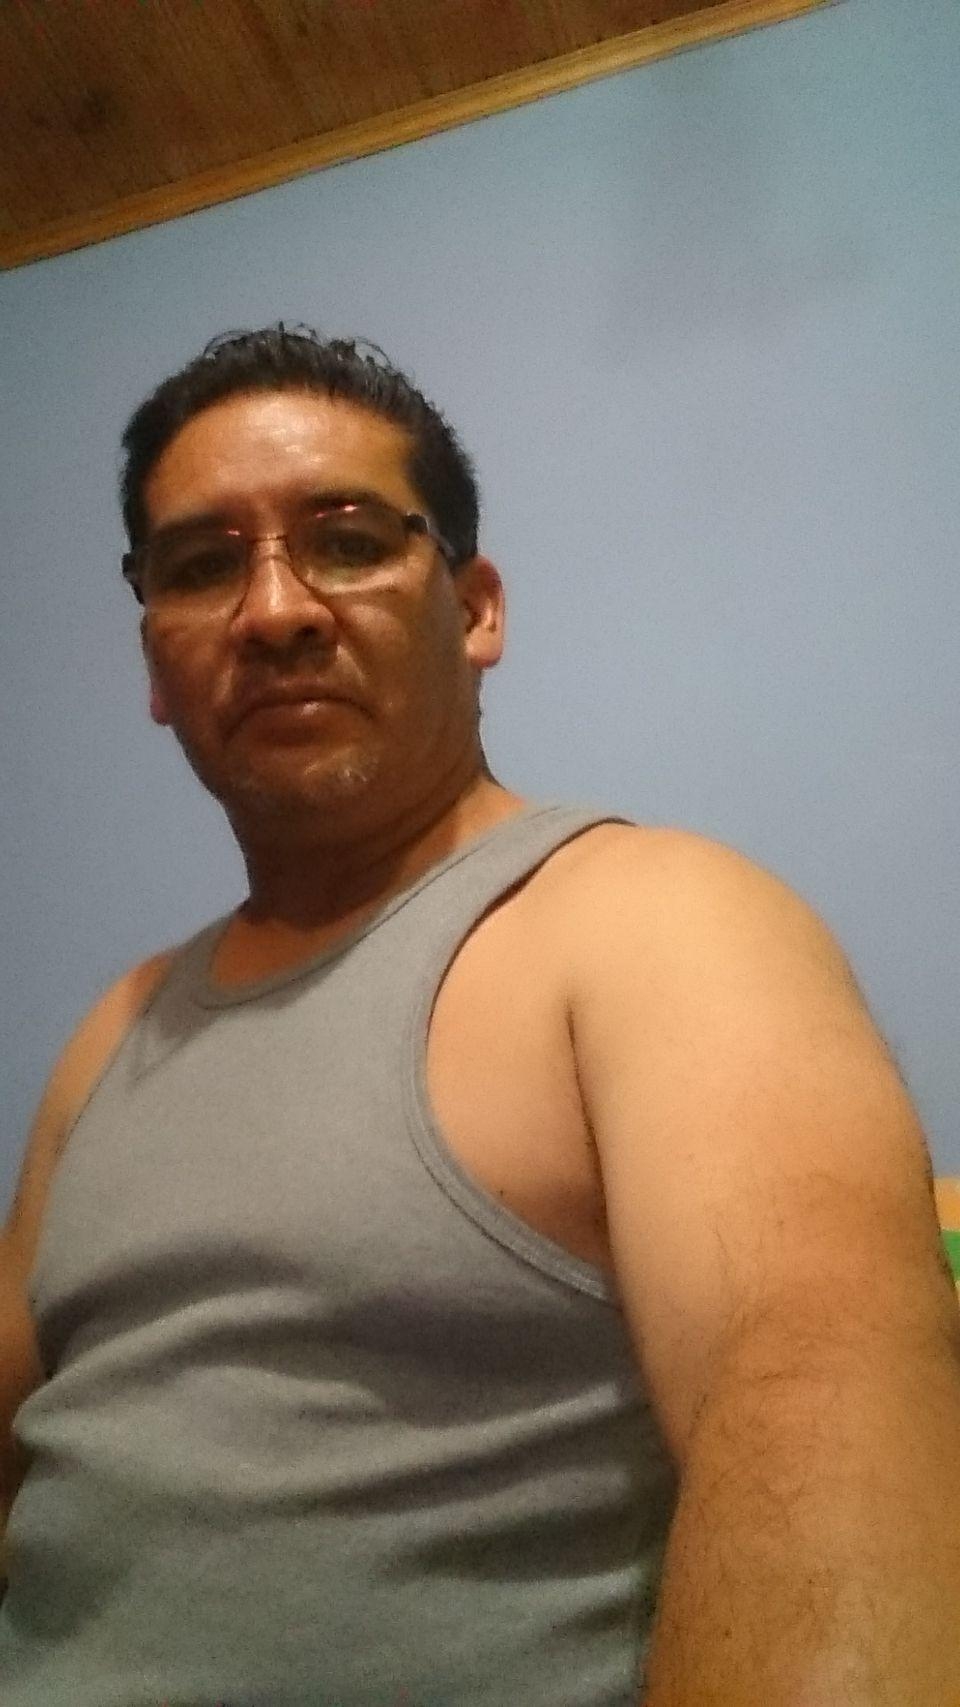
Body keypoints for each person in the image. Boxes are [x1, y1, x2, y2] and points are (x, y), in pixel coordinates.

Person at [0, 326, 958, 1707]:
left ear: (476, 609)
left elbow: (815, 1387)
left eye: (346, 543)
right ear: (157, 665)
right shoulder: (117, 1028)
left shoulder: (655, 921)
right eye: (201, 566)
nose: (273, 611)